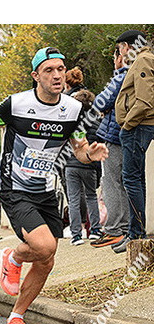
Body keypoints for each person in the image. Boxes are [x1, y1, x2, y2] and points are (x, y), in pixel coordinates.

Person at [0, 47, 108, 324]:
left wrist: (90, 154)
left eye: (61, 69)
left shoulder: (73, 109)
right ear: (36, 76)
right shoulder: (16, 104)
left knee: (46, 260)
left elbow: (79, 149)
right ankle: (12, 257)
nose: (57, 75)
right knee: (44, 245)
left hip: (46, 190)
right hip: (15, 187)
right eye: (49, 70)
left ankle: (16, 318)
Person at [113, 30, 154, 253]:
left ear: (127, 46)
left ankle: (136, 234)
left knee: (131, 178)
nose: (120, 53)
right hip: (138, 127)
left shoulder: (143, 60)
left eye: (120, 48)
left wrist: (127, 125)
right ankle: (135, 232)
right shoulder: (144, 59)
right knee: (136, 179)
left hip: (138, 127)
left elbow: (145, 100)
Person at [91, 46, 130, 248]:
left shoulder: (122, 75)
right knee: (125, 183)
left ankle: (114, 229)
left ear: (120, 57)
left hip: (114, 137)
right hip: (128, 135)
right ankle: (125, 228)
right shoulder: (139, 74)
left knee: (111, 183)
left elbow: (100, 102)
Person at [64, 89, 104, 245]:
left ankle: (76, 235)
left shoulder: (71, 121)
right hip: (90, 165)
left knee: (73, 199)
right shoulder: (97, 122)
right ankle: (95, 230)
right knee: (91, 196)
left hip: (70, 164)